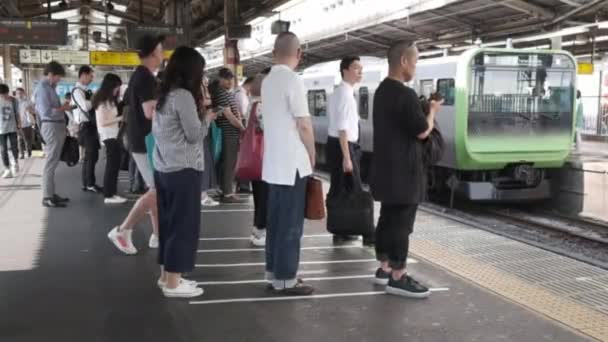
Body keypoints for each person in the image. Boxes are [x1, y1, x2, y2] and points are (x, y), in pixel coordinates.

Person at [370, 41, 442, 298]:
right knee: (401, 224)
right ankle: (398, 276)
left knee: (387, 218)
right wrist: (432, 111)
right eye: (414, 61)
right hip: (405, 172)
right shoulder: (405, 94)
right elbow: (423, 131)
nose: (415, 66)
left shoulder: (381, 91)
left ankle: (384, 268)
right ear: (403, 61)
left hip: (385, 170)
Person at [153, 46, 215, 298]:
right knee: (183, 226)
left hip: (164, 167)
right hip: (184, 169)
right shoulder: (183, 97)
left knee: (168, 225)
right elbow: (194, 135)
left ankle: (167, 277)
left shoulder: (164, 95)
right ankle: (173, 284)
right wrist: (208, 118)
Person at [261, 32, 316, 295]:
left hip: (273, 165)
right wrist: (312, 155)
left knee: (275, 223)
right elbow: (304, 124)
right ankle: (286, 279)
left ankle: (273, 272)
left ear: (274, 52)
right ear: (299, 53)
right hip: (292, 165)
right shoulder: (293, 80)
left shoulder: (267, 80)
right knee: (291, 225)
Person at [107, 34, 163, 254]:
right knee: (158, 190)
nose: (162, 54)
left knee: (155, 189)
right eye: (160, 50)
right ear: (151, 53)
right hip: (145, 140)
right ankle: (123, 229)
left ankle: (158, 235)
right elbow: (150, 112)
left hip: (140, 139)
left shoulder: (140, 76)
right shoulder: (146, 78)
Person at [326, 56, 373, 246]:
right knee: (355, 189)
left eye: (361, 69)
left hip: (336, 145)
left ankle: (341, 229)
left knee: (340, 190)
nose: (360, 72)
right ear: (345, 70)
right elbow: (343, 129)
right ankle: (367, 233)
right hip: (343, 146)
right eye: (356, 68)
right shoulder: (345, 95)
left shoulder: (339, 92)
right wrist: (347, 157)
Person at [34, 61, 73, 207]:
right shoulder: (43, 89)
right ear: (50, 74)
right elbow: (46, 112)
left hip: (56, 126)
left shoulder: (49, 87)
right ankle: (47, 197)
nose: (59, 80)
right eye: (58, 77)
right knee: (50, 163)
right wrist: (62, 108)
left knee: (53, 162)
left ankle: (50, 193)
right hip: (51, 126)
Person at [209, 67, 246, 203]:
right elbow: (229, 116)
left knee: (226, 163)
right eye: (227, 78)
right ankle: (228, 194)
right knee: (229, 164)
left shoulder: (223, 92)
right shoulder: (220, 93)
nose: (230, 81)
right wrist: (243, 128)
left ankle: (224, 190)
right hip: (228, 133)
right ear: (219, 78)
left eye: (231, 79)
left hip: (230, 132)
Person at [92, 73, 127, 205]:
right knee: (112, 166)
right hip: (108, 136)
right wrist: (120, 118)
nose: (117, 90)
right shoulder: (102, 101)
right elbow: (102, 121)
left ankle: (111, 192)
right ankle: (109, 194)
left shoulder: (108, 100)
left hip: (113, 135)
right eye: (116, 87)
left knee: (113, 165)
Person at [249, 68, 271, 246]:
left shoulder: (253, 103)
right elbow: (269, 129)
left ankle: (257, 228)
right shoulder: (263, 105)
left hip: (257, 157)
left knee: (258, 193)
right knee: (264, 193)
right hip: (265, 157)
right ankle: (261, 231)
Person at [72, 66, 101, 193]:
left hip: (88, 126)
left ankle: (87, 183)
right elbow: (85, 106)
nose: (91, 78)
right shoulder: (78, 91)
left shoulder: (84, 90)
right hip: (86, 127)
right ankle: (89, 183)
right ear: (83, 75)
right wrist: (96, 99)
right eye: (90, 76)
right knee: (91, 155)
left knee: (90, 156)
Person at [200, 76, 219, 207]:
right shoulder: (193, 92)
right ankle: (202, 194)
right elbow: (207, 102)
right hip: (200, 129)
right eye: (204, 82)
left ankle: (203, 193)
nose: (206, 85)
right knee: (202, 161)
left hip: (203, 128)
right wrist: (207, 118)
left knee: (205, 160)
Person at [234, 76, 255, 194]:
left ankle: (242, 184)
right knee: (244, 158)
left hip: (241, 128)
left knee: (242, 157)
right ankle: (243, 185)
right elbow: (243, 112)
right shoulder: (241, 95)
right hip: (242, 128)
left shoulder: (239, 93)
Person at [0, 84, 20, 179]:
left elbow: (17, 113)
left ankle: (15, 162)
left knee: (14, 146)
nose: (3, 96)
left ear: (8, 92)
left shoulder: (13, 101)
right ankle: (7, 169)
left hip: (12, 128)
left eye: (4, 94)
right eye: (1, 95)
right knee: (3, 150)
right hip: (1, 130)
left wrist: (19, 124)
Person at [15, 88, 36, 159]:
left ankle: (29, 153)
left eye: (21, 93)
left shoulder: (28, 102)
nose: (19, 95)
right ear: (16, 94)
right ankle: (21, 154)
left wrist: (30, 110)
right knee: (19, 139)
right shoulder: (14, 102)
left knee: (28, 139)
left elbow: (34, 111)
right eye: (18, 93)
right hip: (18, 124)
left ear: (23, 93)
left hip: (27, 123)